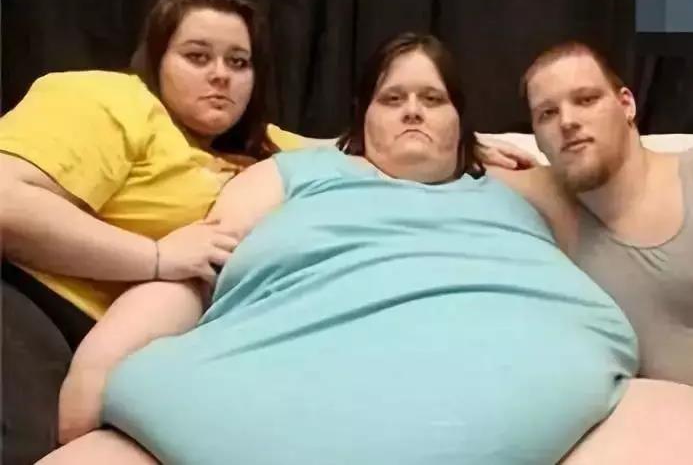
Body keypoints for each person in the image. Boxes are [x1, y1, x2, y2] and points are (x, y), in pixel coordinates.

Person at [39, 32, 638, 464]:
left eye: (433, 100)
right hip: (263, 385)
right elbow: (200, 268)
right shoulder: (294, 174)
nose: (412, 111)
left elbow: (629, 225)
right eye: (392, 98)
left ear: (462, 122)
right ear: (362, 119)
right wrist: (97, 367)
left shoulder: (519, 185)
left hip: (527, 396)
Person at [0, 0, 288, 462]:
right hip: (28, 297)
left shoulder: (268, 153)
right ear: (157, 59)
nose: (221, 75)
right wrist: (157, 258)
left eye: (239, 62)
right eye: (197, 56)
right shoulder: (112, 100)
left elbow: (368, 145)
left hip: (130, 358)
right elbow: (5, 199)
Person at [516, 41, 693, 428]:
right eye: (547, 113)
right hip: (683, 442)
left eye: (586, 100)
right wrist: (481, 148)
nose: (567, 121)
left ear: (627, 105)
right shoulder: (555, 211)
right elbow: (448, 154)